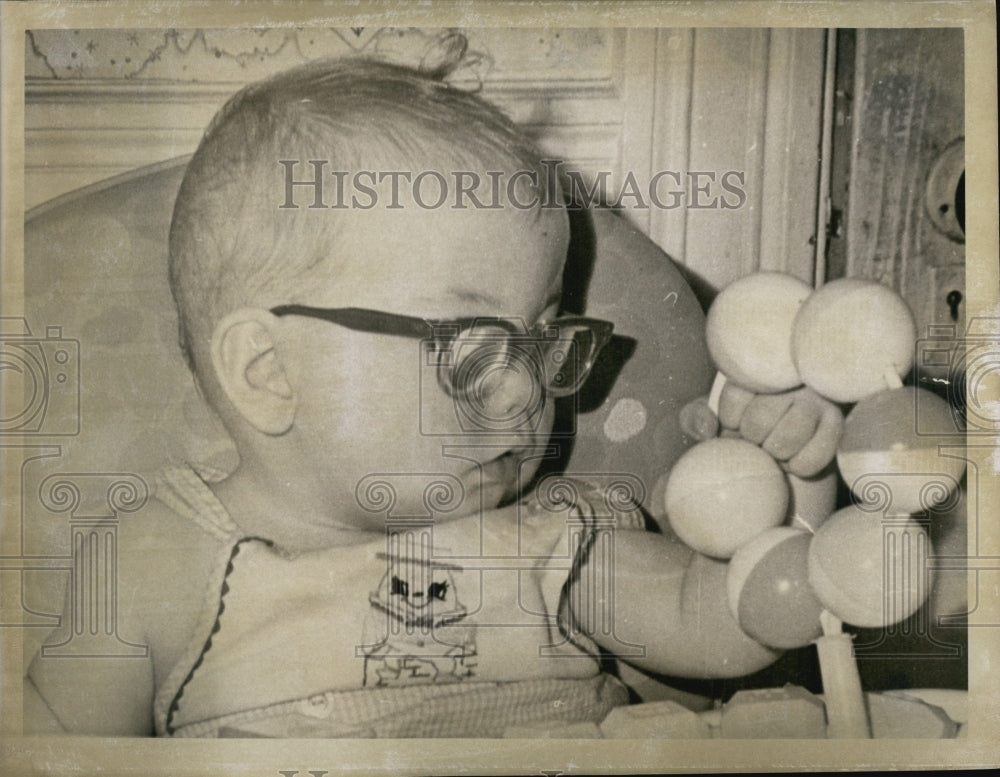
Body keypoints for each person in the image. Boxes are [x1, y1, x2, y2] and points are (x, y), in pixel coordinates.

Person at [24, 58, 841, 737]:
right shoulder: (155, 563)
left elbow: (732, 624)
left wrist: (787, 482)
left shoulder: (552, 537)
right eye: (473, 346)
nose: (523, 388)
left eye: (542, 337)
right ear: (267, 371)